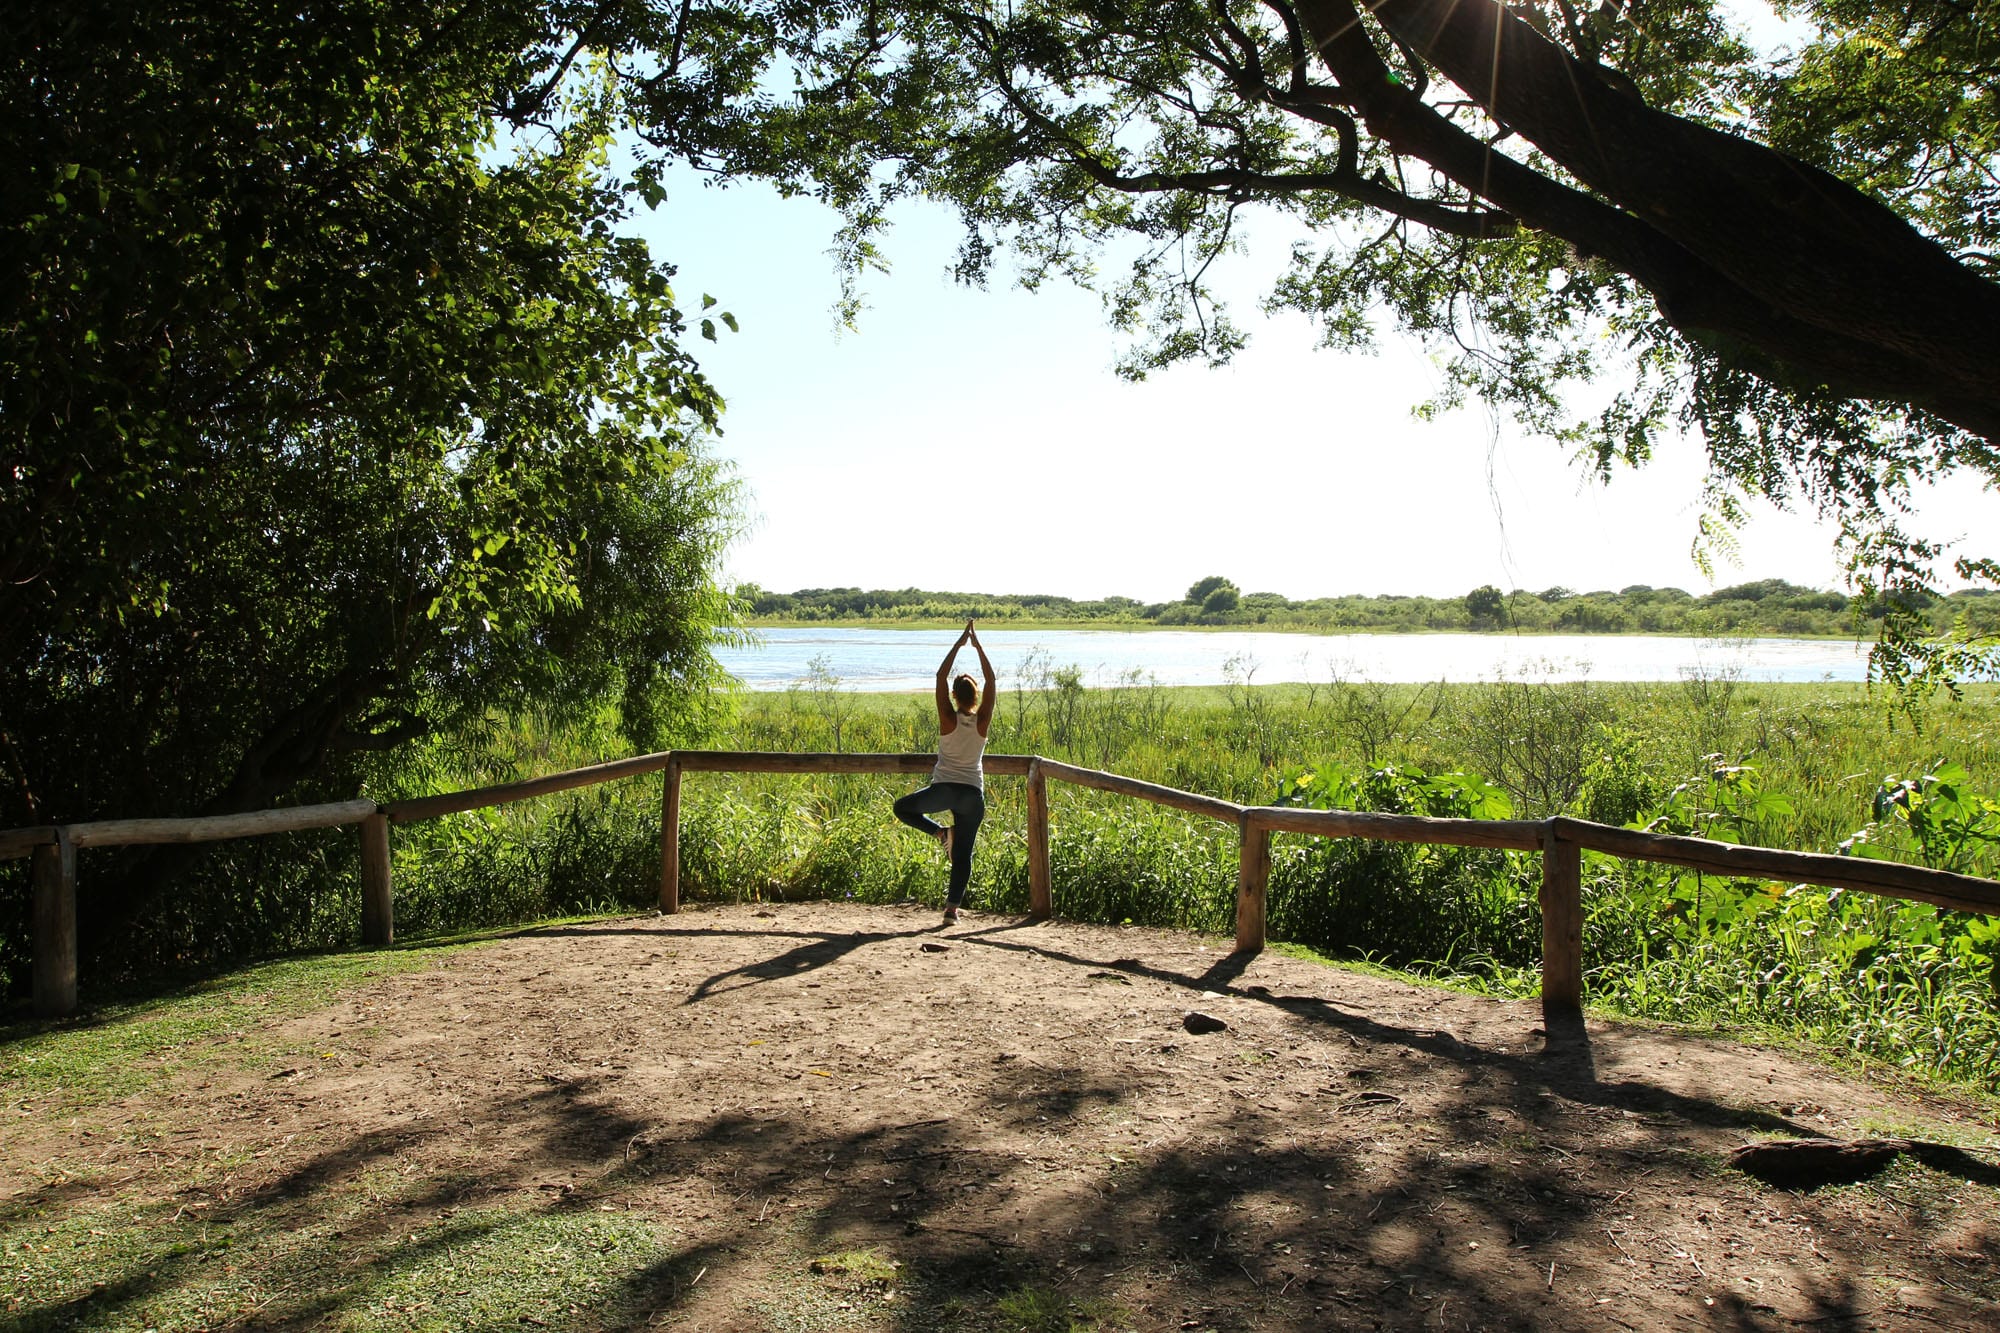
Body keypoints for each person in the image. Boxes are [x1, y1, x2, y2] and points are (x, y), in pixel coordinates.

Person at [893, 619, 996, 924]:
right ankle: (952, 910)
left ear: (954, 696)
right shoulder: (982, 721)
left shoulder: (947, 719)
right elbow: (992, 679)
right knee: (963, 854)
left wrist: (959, 643)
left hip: (945, 790)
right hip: (973, 796)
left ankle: (939, 832)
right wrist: (977, 646)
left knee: (902, 808)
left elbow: (940, 675)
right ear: (975, 697)